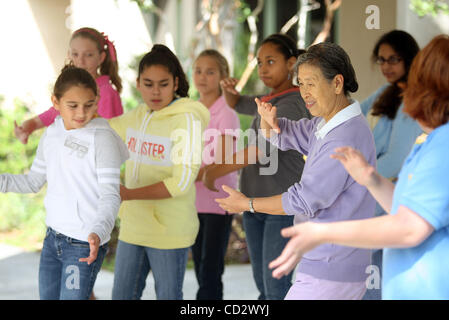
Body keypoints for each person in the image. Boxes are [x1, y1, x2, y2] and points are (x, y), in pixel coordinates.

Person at [267, 35, 449, 300]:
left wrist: (322, 232)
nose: (409, 97)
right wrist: (371, 178)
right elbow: (403, 206)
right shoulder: (433, 140)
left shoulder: (443, 146)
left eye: (416, 85)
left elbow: (410, 227)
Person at [216, 41, 377, 300]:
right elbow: (290, 133)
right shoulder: (326, 124)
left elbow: (303, 199)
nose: (304, 92)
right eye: (300, 83)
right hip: (328, 263)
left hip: (332, 266)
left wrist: (247, 203)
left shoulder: (342, 136)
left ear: (337, 83)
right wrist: (270, 123)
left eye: (310, 83)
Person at [0, 65, 129, 300]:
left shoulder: (103, 139)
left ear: (97, 100)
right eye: (73, 105)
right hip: (52, 239)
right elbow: (33, 182)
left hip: (83, 243)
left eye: (89, 105)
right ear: (55, 102)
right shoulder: (51, 134)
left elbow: (111, 195)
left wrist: (98, 232)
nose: (82, 113)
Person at [109, 44, 210, 300]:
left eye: (163, 84)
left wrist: (129, 194)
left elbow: (182, 182)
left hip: (169, 232)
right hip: (133, 227)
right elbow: (99, 132)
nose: (155, 91)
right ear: (138, 83)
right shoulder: (137, 116)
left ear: (176, 83)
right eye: (148, 83)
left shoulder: (186, 119)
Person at [217, 33, 311, 300]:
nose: (263, 68)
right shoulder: (268, 99)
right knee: (263, 283)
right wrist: (228, 89)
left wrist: (214, 170)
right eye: (260, 62)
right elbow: (236, 102)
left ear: (291, 63)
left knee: (275, 285)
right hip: (252, 202)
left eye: (271, 61)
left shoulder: (292, 102)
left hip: (279, 205)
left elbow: (262, 149)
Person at [360, 30, 422, 300]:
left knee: (376, 285)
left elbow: (396, 160)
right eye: (382, 60)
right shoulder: (388, 91)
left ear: (410, 60)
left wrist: (354, 178)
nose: (386, 66)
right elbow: (348, 112)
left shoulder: (415, 98)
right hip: (375, 196)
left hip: (390, 200)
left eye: (393, 60)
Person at [14, 27, 123, 144]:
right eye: (75, 54)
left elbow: (109, 136)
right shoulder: (70, 85)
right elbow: (54, 113)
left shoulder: (107, 93)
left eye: (89, 55)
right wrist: (30, 125)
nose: (81, 60)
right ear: (68, 54)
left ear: (101, 57)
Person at [191, 49, 240, 300]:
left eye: (210, 72)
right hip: (192, 201)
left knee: (210, 270)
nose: (202, 76)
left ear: (223, 77)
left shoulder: (227, 114)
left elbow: (219, 162)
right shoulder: (190, 111)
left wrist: (183, 178)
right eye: (198, 70)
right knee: (200, 268)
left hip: (219, 201)